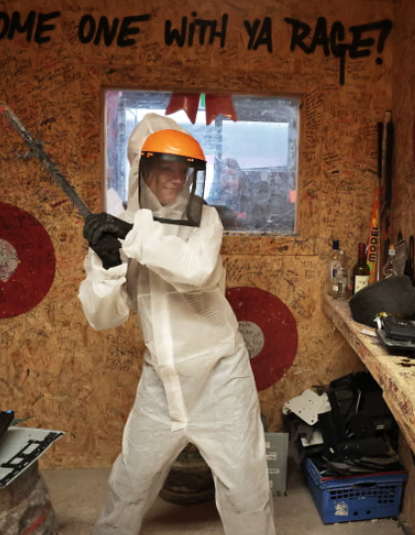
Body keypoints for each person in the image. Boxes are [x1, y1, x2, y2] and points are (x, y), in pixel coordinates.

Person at [78, 113, 276, 535]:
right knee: (131, 479)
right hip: (162, 381)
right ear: (142, 168)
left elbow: (195, 271)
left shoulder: (203, 218)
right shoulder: (117, 229)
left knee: (245, 485)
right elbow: (103, 317)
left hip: (220, 375)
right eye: (165, 167)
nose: (175, 177)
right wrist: (109, 266)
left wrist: (134, 237)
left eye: (182, 169)